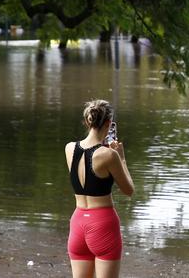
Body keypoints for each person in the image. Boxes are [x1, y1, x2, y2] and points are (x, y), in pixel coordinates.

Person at [65, 99, 135, 278]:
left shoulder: (70, 148)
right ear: (108, 124)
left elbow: (88, 166)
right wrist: (122, 159)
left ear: (88, 121)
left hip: (78, 223)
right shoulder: (109, 155)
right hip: (103, 224)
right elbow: (129, 190)